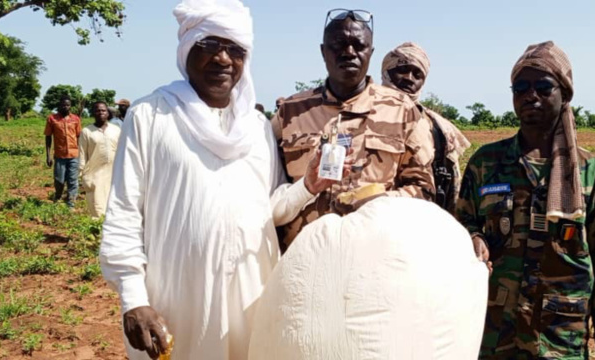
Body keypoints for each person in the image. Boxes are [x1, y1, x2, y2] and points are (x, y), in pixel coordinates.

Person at [98, 1, 332, 358]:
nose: (223, 58)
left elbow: (269, 208)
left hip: (252, 296)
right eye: (210, 45)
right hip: (177, 301)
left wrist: (307, 187)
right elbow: (124, 212)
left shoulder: (255, 127)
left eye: (235, 49)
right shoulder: (150, 115)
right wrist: (133, 299)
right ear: (187, 48)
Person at [457, 41, 595, 359]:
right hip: (496, 330)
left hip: (560, 336)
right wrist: (473, 237)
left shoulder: (591, 172)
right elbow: (462, 222)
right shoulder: (486, 163)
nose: (530, 95)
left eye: (543, 86)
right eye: (520, 87)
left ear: (564, 93)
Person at [271, 9, 435, 250]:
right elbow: (267, 192)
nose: (349, 52)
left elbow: (425, 192)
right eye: (339, 44)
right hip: (301, 258)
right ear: (323, 51)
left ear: (370, 53)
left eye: (358, 45)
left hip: (372, 257)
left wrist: (377, 202)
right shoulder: (290, 113)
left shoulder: (404, 111)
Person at [381, 42, 471, 213]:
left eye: (417, 74)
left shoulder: (440, 128)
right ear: (386, 72)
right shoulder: (361, 114)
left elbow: (453, 186)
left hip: (423, 223)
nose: (409, 78)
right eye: (402, 69)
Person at [78, 101, 122, 218]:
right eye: (97, 110)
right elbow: (82, 154)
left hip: (113, 174)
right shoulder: (86, 132)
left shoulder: (116, 130)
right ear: (93, 113)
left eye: (103, 110)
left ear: (108, 113)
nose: (101, 113)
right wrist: (81, 174)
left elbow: (123, 151)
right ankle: (98, 233)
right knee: (97, 207)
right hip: (94, 175)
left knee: (113, 206)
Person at [44, 95, 82, 208]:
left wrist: (82, 153)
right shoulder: (52, 119)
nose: (65, 107)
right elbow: (48, 137)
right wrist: (48, 155)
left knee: (73, 180)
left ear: (70, 106)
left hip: (74, 154)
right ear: (59, 105)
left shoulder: (76, 119)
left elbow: (79, 136)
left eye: (67, 105)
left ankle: (71, 203)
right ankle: (58, 196)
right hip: (60, 155)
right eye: (63, 105)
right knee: (59, 180)